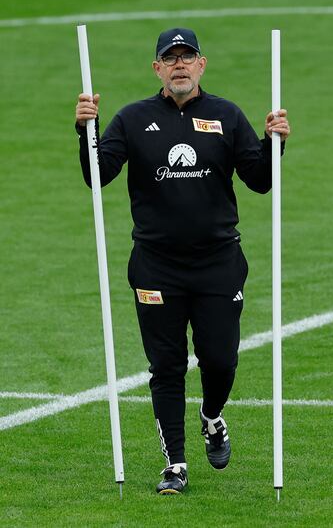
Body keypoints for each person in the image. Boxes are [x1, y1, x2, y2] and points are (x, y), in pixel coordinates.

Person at [75, 27, 290, 495]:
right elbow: (98, 174)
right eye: (169, 58)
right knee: (166, 367)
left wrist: (276, 145)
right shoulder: (133, 119)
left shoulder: (225, 116)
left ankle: (212, 416)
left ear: (201, 64)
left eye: (186, 57)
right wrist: (85, 130)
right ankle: (175, 464)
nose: (179, 65)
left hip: (218, 263)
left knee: (220, 359)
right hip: (156, 265)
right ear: (157, 68)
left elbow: (260, 181)